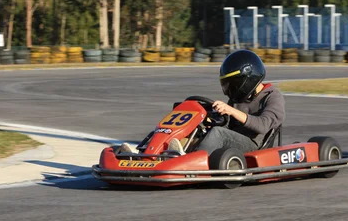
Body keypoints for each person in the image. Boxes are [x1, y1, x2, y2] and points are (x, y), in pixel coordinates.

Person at [119, 49, 285, 155]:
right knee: (200, 128)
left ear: (247, 78)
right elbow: (228, 125)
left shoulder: (272, 96)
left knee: (217, 134)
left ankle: (183, 159)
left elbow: (263, 125)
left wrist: (231, 110)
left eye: (233, 83)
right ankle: (146, 155)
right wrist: (211, 119)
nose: (230, 88)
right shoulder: (238, 98)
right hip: (232, 140)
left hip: (253, 145)